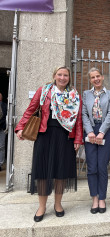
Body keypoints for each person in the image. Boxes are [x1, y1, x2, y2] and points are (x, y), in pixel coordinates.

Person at [15, 66, 83, 222]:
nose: (62, 77)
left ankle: (58, 204)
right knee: (43, 172)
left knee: (61, 172)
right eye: (59, 74)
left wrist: (78, 138)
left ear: (69, 78)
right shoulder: (44, 91)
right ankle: (42, 206)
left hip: (66, 137)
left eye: (65, 75)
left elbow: (78, 119)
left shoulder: (74, 95)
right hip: (45, 135)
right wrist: (20, 127)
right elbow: (30, 110)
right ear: (54, 75)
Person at [82, 67, 110, 214]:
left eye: (98, 76)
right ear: (90, 80)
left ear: (102, 76)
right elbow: (83, 114)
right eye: (93, 77)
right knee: (92, 167)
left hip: (105, 132)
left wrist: (102, 132)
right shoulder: (86, 94)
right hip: (90, 132)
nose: (96, 79)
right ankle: (94, 197)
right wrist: (89, 131)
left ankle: (102, 198)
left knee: (102, 166)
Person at [0, 93, 7, 171]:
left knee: (1, 146)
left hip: (2, 128)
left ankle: (0, 164)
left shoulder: (5, 105)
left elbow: (6, 117)